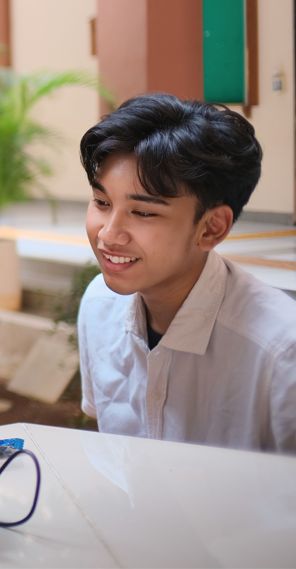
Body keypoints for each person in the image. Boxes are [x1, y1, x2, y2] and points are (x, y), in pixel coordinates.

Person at [76, 93, 296, 454]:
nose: (108, 235)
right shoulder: (99, 303)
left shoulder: (280, 351)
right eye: (102, 202)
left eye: (143, 213)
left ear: (211, 228)